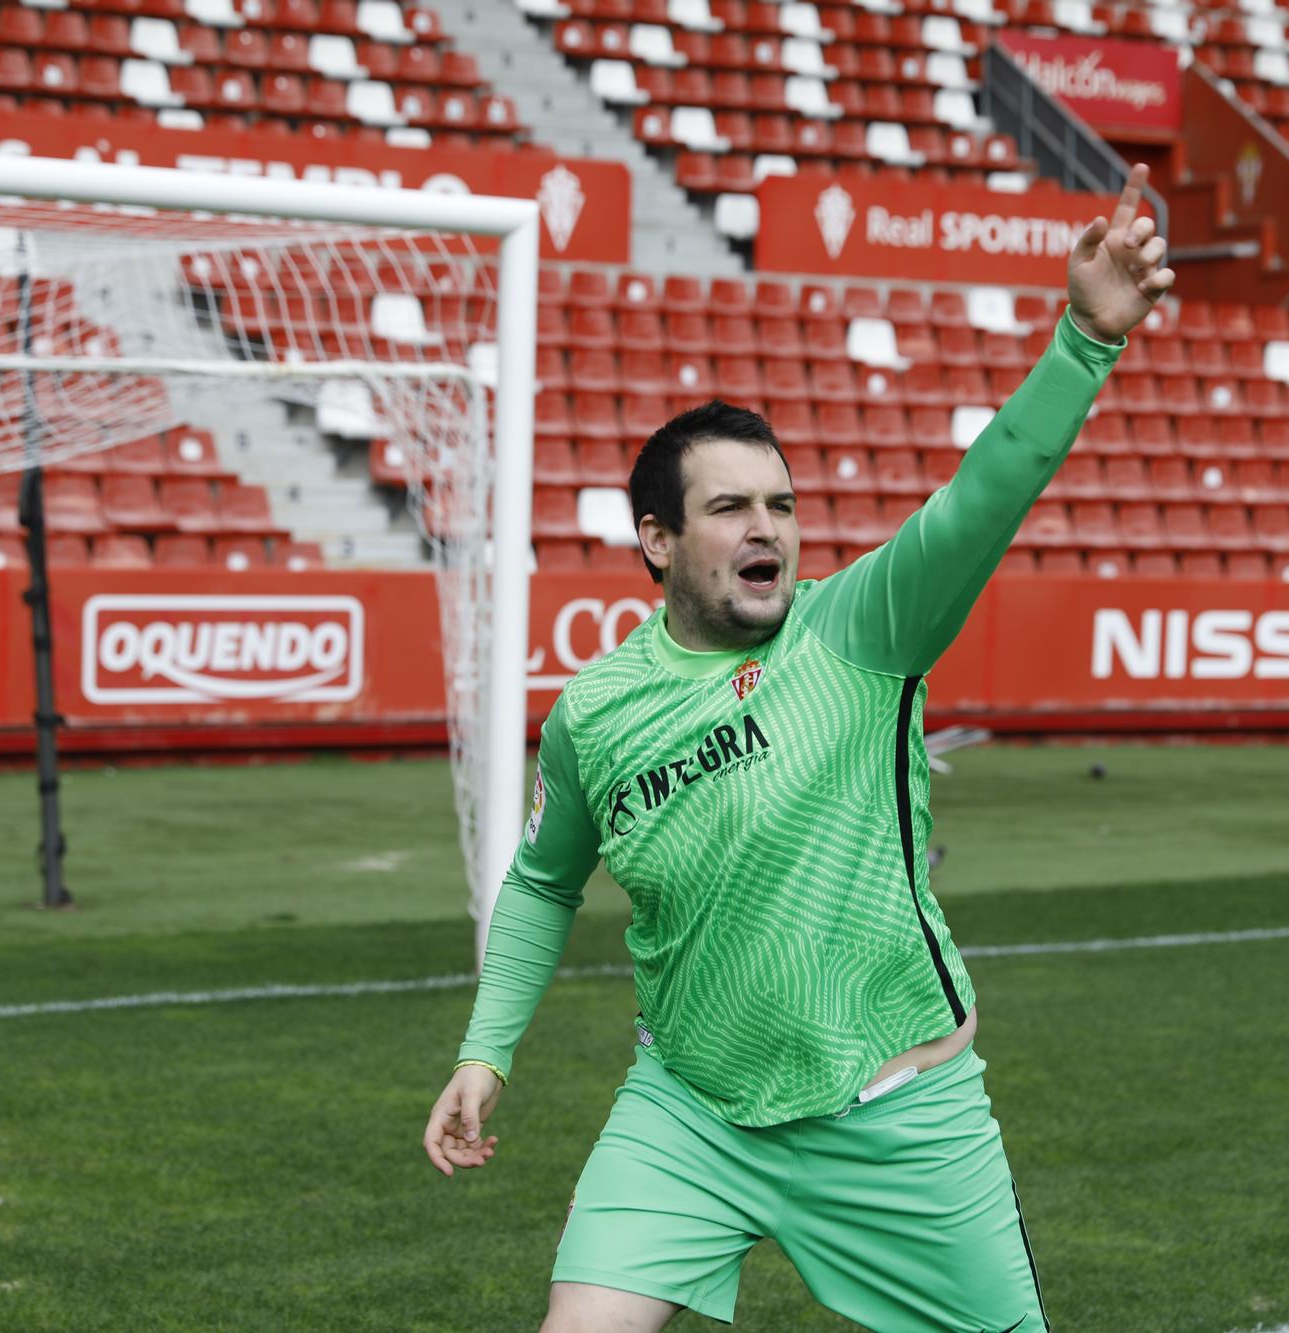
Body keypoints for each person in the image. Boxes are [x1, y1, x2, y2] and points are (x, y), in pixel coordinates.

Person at [424, 165, 1174, 1332]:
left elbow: (983, 496)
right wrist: (485, 1051)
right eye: (728, 509)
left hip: (894, 1112)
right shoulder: (596, 709)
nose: (764, 525)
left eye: (777, 503)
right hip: (688, 1108)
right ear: (657, 542)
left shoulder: (863, 628)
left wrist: (1082, 337)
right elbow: (538, 882)